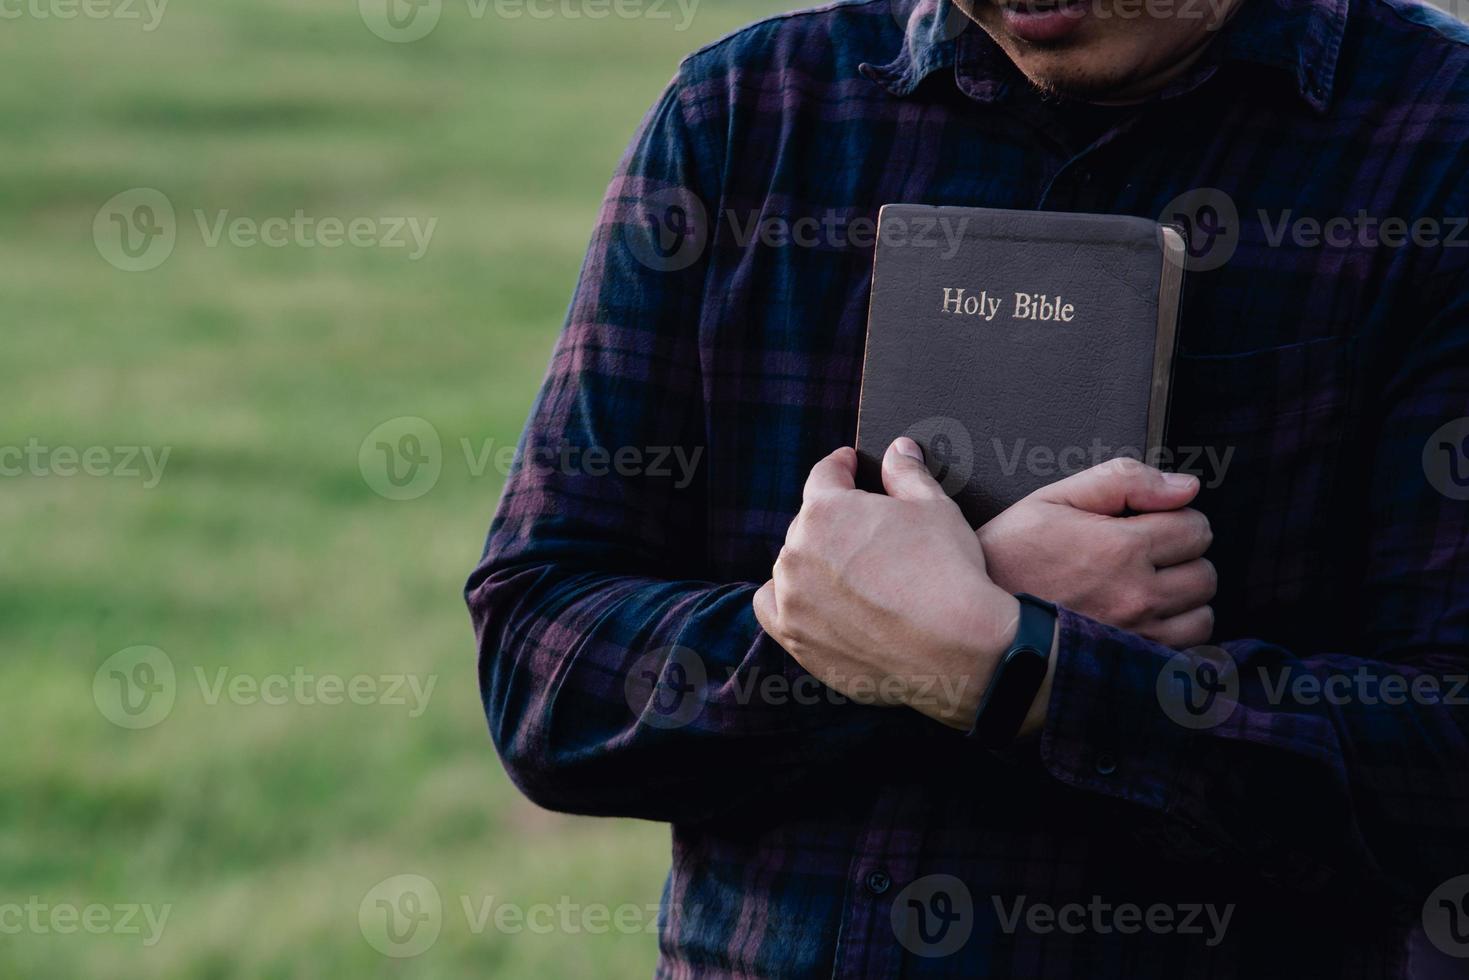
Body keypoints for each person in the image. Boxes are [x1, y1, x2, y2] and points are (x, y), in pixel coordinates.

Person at [466, 0, 1469, 974]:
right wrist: (895, 627)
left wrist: (1025, 669)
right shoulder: (742, 114)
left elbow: (1439, 762)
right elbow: (540, 670)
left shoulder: (1435, 136)